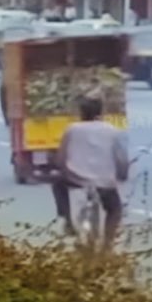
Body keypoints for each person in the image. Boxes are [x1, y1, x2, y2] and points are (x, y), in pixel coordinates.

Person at [51, 98, 129, 243]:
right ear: (100, 112)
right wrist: (122, 175)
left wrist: (63, 170)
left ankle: (67, 220)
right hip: (105, 183)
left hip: (75, 180)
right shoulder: (112, 131)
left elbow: (61, 159)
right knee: (114, 209)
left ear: (81, 113)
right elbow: (122, 159)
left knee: (57, 184)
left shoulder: (72, 129)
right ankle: (108, 244)